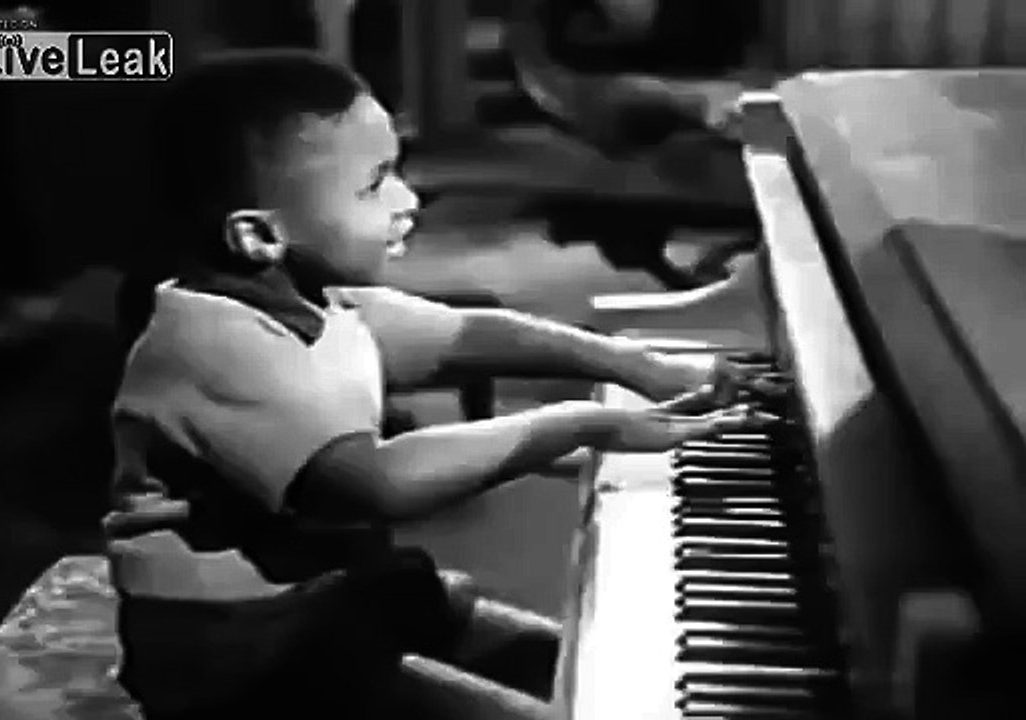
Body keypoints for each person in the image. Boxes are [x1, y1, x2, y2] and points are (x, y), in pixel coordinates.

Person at [105, 49, 777, 720]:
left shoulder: (319, 301)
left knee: (607, 670)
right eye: (375, 185)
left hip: (329, 595)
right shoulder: (214, 342)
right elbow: (377, 482)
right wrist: (583, 424)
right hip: (241, 655)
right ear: (258, 236)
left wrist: (640, 366)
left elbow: (468, 334)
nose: (409, 199)